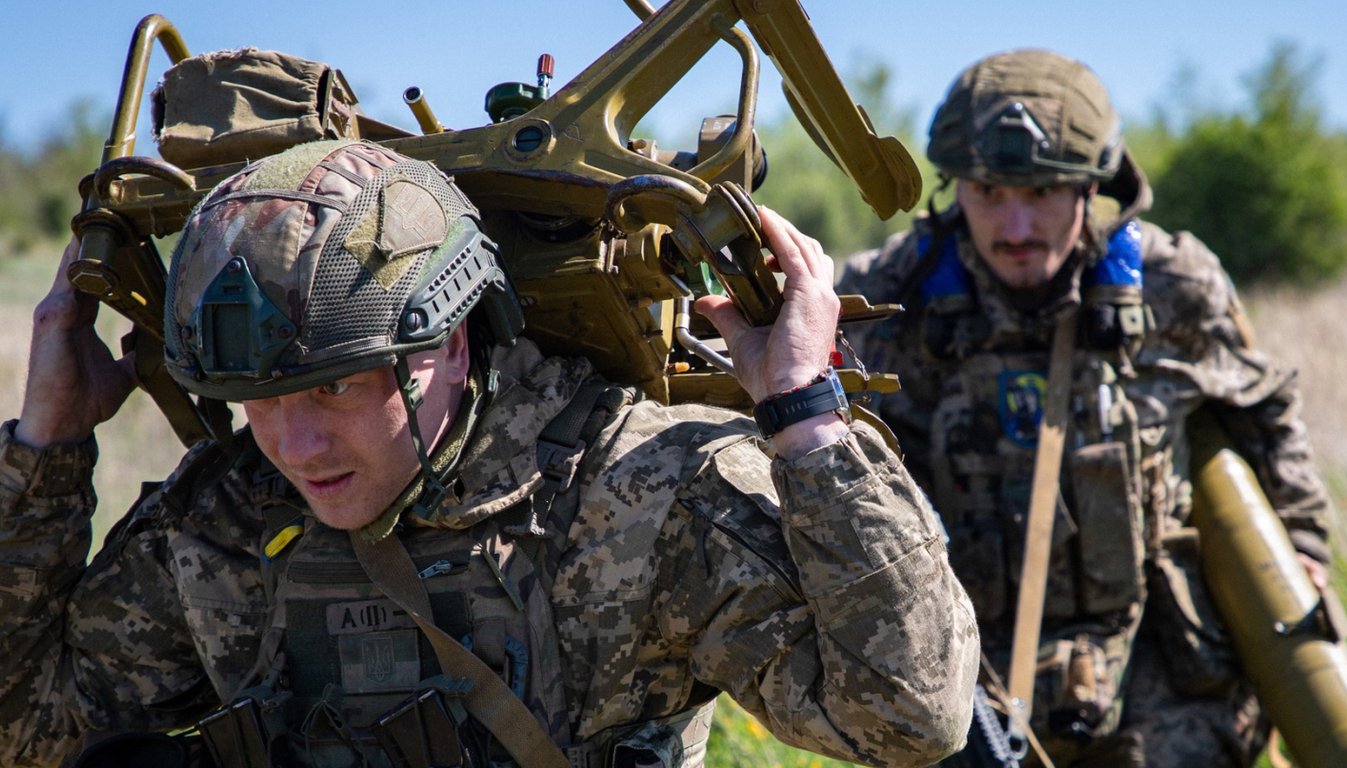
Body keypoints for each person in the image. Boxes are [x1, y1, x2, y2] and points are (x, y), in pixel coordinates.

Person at [0, 139, 978, 768]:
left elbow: (906, 717)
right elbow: (28, 727)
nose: (294, 445)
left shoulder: (638, 491)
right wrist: (45, 445)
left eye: (335, 386)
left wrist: (806, 416)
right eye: (258, 402)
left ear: (451, 342)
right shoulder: (222, 520)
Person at [837, 49, 1332, 767]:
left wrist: (1305, 545)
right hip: (967, 663)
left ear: (1092, 186)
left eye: (1041, 192)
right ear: (953, 187)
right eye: (987, 190)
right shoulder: (889, 297)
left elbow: (1265, 403)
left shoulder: (1174, 287)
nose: (1014, 225)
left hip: (1156, 653)